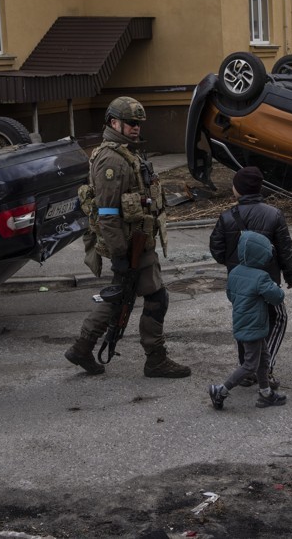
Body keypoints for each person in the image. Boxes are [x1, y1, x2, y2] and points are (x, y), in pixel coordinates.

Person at [66, 96, 190, 378]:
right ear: (114, 123)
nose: (136, 128)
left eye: (139, 123)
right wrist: (121, 255)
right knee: (155, 298)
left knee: (119, 297)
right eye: (131, 123)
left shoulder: (126, 153)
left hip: (137, 242)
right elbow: (108, 213)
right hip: (130, 245)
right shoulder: (112, 160)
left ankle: (82, 348)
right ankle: (155, 359)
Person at [209, 166, 292, 389]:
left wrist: (234, 265)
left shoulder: (227, 217)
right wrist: (291, 273)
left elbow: (217, 250)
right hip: (267, 280)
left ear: (238, 190)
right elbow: (285, 249)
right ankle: (264, 367)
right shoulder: (274, 214)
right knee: (277, 319)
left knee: (246, 321)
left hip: (238, 282)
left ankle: (247, 367)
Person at [208, 230, 287, 410]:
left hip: (242, 323)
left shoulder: (235, 272)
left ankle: (266, 393)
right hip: (255, 326)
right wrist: (275, 287)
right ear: (261, 255)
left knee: (264, 359)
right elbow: (277, 298)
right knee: (250, 365)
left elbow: (230, 295)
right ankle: (221, 390)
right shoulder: (261, 277)